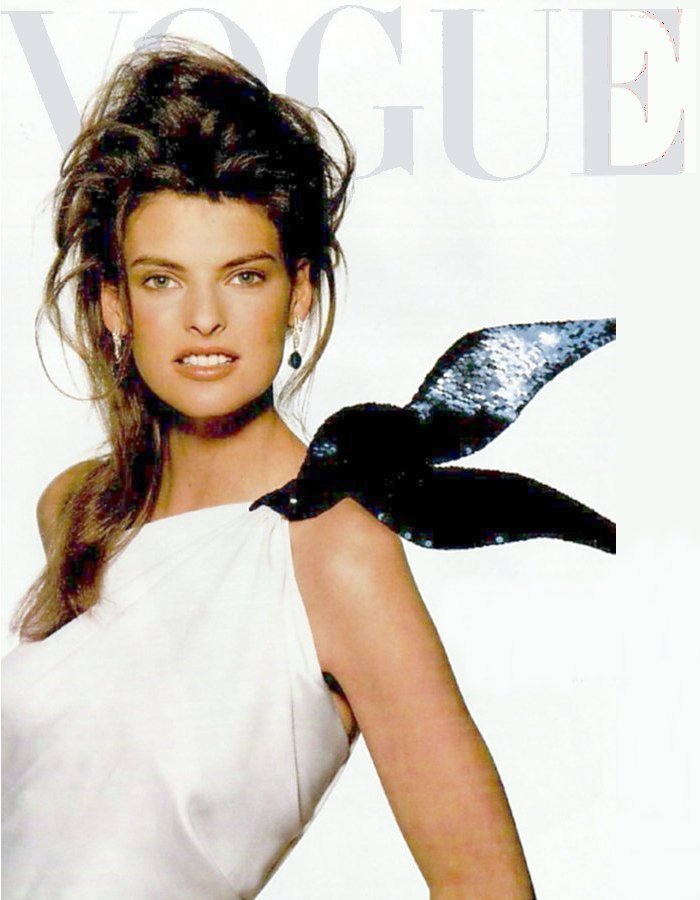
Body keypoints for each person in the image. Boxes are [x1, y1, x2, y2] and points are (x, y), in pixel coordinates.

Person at [1, 35, 537, 898]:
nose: (204, 317)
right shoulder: (77, 507)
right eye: (162, 280)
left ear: (301, 292)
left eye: (244, 276)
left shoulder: (336, 552)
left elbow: (486, 885)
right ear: (114, 305)